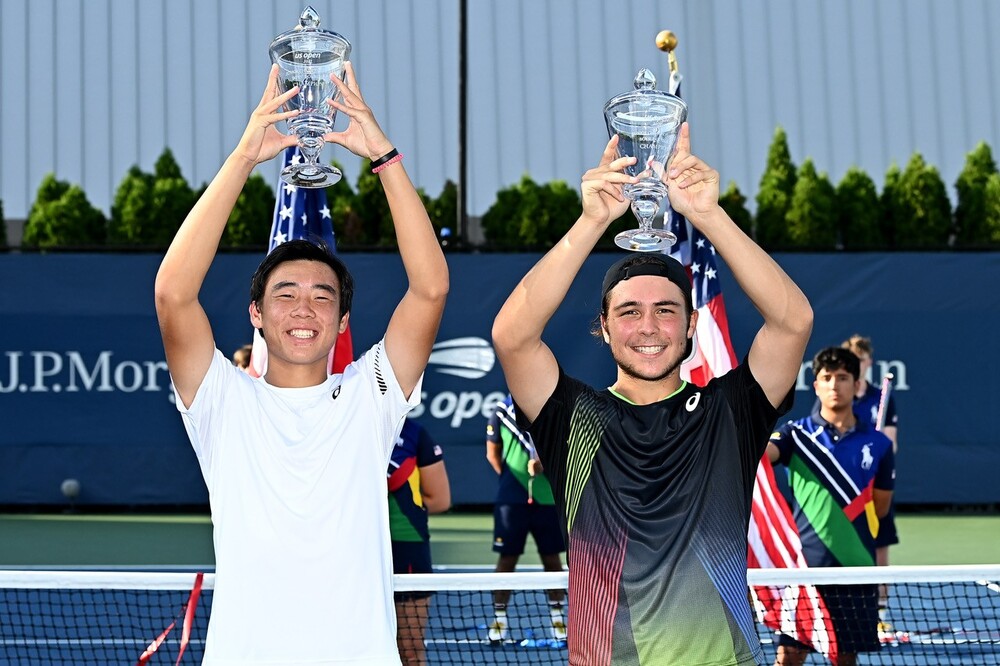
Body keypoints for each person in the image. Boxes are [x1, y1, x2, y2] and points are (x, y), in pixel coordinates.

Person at [154, 62, 448, 664]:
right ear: (256, 314)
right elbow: (172, 294)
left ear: (343, 322)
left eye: (323, 296)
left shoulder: (372, 395)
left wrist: (384, 157)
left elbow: (430, 290)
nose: (303, 308)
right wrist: (244, 157)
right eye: (285, 294)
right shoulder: (222, 399)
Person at [491, 124, 813, 665]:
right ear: (604, 327)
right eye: (629, 311)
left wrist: (709, 214)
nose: (648, 326)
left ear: (690, 326)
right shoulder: (573, 417)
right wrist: (592, 221)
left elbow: (792, 320)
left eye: (666, 311)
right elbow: (512, 335)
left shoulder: (728, 412)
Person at [767, 347, 894, 666]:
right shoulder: (795, 435)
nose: (834, 385)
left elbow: (880, 508)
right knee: (789, 657)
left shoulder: (879, 445)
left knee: (845, 658)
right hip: (804, 571)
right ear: (816, 384)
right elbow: (763, 454)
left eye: (842, 378)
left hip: (854, 568)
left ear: (856, 383)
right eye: (826, 378)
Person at [485, 394, 566, 644]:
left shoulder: (554, 409)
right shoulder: (501, 411)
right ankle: (499, 619)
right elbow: (492, 454)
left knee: (552, 559)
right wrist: (513, 481)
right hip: (512, 500)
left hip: (548, 499)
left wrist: (544, 463)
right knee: (507, 559)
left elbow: (564, 450)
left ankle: (557, 617)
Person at [840, 334, 900, 637]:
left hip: (875, 489)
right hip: (846, 491)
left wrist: (877, 452)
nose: (859, 366)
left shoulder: (882, 398)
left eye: (862, 361)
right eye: (854, 361)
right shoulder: (839, 397)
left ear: (869, 363)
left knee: (879, 553)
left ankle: (879, 616)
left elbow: (891, 444)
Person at [388, 419, 451, 666]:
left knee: (410, 651)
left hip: (408, 548)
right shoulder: (342, 423)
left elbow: (440, 500)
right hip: (354, 550)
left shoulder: (414, 433)